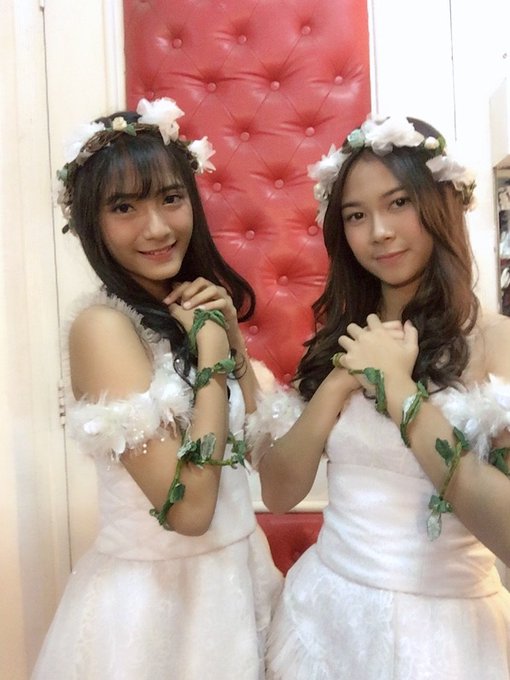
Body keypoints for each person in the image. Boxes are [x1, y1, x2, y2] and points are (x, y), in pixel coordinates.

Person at [246, 114, 510, 679]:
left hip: (447, 634)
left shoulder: (495, 342)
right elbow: (279, 492)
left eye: (399, 203)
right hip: (326, 617)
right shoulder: (339, 339)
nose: (380, 232)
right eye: (356, 215)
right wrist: (338, 383)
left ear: (440, 204)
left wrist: (400, 392)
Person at [32, 97, 282, 680]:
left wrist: (234, 349)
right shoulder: (102, 328)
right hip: (156, 618)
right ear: (91, 222)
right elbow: (188, 509)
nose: (157, 227)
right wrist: (214, 356)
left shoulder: (188, 314)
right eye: (125, 207)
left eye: (171, 198)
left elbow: (269, 467)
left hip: (241, 582)